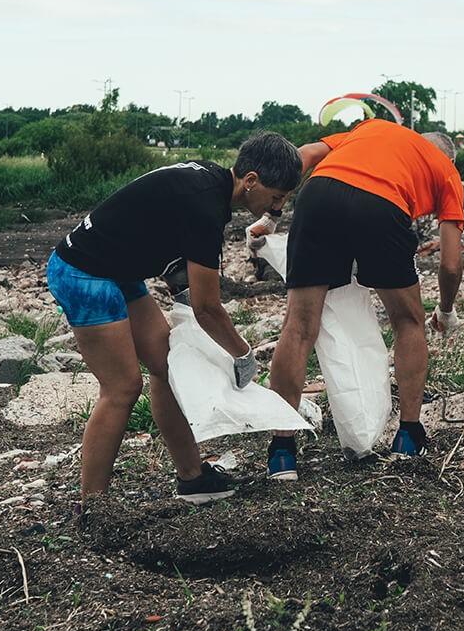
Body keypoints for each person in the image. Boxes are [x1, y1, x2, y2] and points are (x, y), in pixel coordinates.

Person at [46, 132, 302, 504]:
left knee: (165, 364)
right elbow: (208, 308)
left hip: (118, 267)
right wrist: (242, 353)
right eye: (276, 198)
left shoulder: (210, 182)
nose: (275, 209)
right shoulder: (206, 207)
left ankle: (192, 477)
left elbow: (167, 248)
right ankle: (93, 505)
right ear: (251, 182)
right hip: (82, 272)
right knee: (122, 387)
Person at [265, 120, 464, 480]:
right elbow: (450, 265)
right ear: (449, 158)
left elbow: (304, 155)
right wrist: (446, 309)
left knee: (298, 328)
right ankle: (409, 435)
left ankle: (281, 451)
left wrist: (273, 211)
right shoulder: (446, 170)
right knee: (408, 322)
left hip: (318, 195)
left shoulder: (371, 128)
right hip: (381, 207)